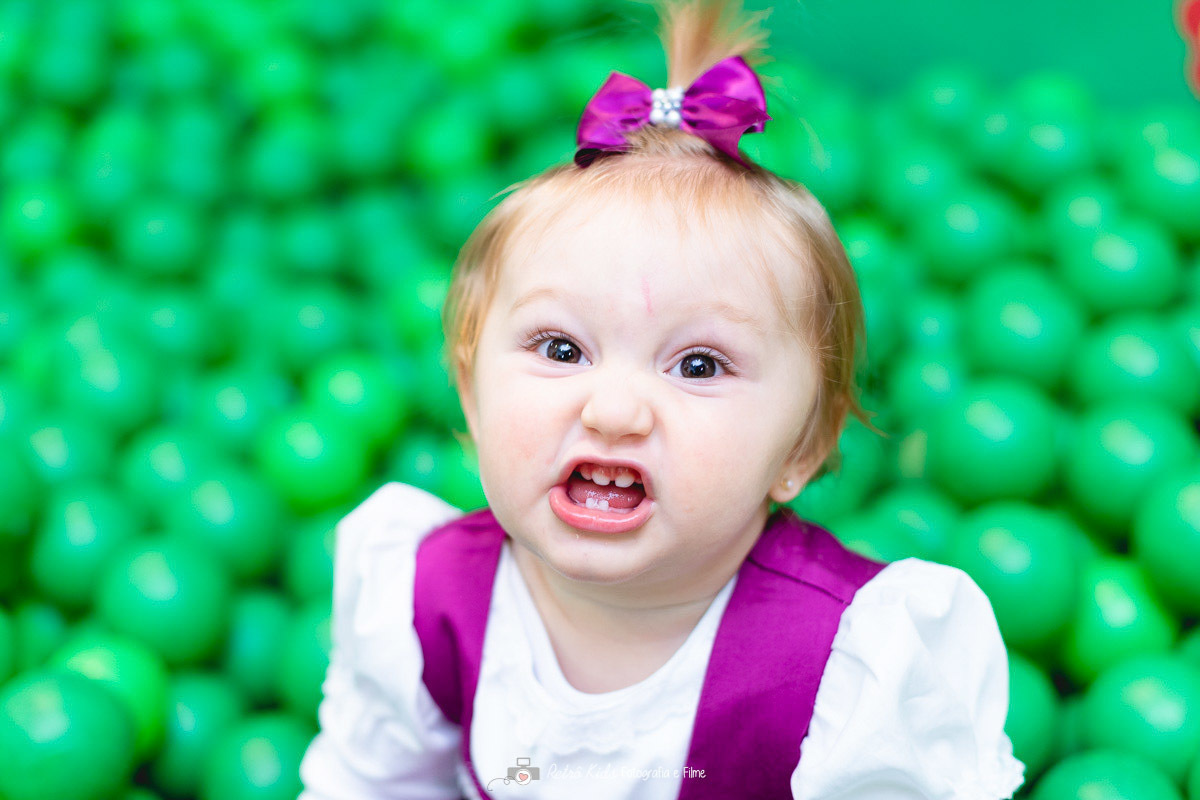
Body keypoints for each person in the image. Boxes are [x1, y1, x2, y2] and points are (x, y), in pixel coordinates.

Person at [298, 1, 1025, 797]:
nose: (614, 410)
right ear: (470, 395)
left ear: (800, 451)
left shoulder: (846, 670)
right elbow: (373, 783)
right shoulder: (423, 599)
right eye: (562, 349)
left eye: (700, 365)